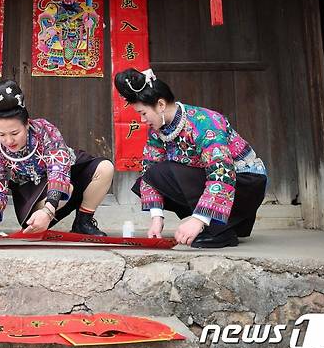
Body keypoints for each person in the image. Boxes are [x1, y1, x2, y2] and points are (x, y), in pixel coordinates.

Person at [114, 68, 268, 248]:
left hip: (245, 183)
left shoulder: (205, 121)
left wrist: (198, 219)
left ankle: (218, 230)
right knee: (154, 173)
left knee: (170, 170)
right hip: (211, 180)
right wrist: (157, 218)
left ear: (161, 105)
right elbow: (150, 172)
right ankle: (214, 225)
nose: (142, 120)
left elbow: (222, 171)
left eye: (143, 113)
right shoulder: (158, 131)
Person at [0, 80, 114, 236]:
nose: (8, 141)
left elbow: (58, 168)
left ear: (27, 125)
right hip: (33, 192)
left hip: (66, 175)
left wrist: (48, 211)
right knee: (57, 198)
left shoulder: (43, 130)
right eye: (1, 134)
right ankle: (41, 218)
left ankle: (83, 221)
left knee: (104, 168)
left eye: (15, 133)